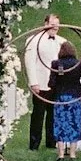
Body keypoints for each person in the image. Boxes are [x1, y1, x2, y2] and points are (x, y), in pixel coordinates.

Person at [24, 14, 64, 151]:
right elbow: (30, 62)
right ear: (45, 24)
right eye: (52, 24)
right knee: (38, 113)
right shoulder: (33, 40)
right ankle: (34, 143)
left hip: (56, 84)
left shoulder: (62, 41)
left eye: (57, 24)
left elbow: (63, 63)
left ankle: (51, 142)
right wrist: (33, 82)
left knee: (53, 113)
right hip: (40, 83)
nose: (55, 27)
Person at [47, 41, 81, 159]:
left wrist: (57, 88)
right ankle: (72, 154)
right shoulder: (79, 64)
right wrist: (78, 88)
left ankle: (60, 154)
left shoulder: (56, 64)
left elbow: (51, 83)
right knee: (74, 123)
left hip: (60, 97)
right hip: (75, 97)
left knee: (60, 123)